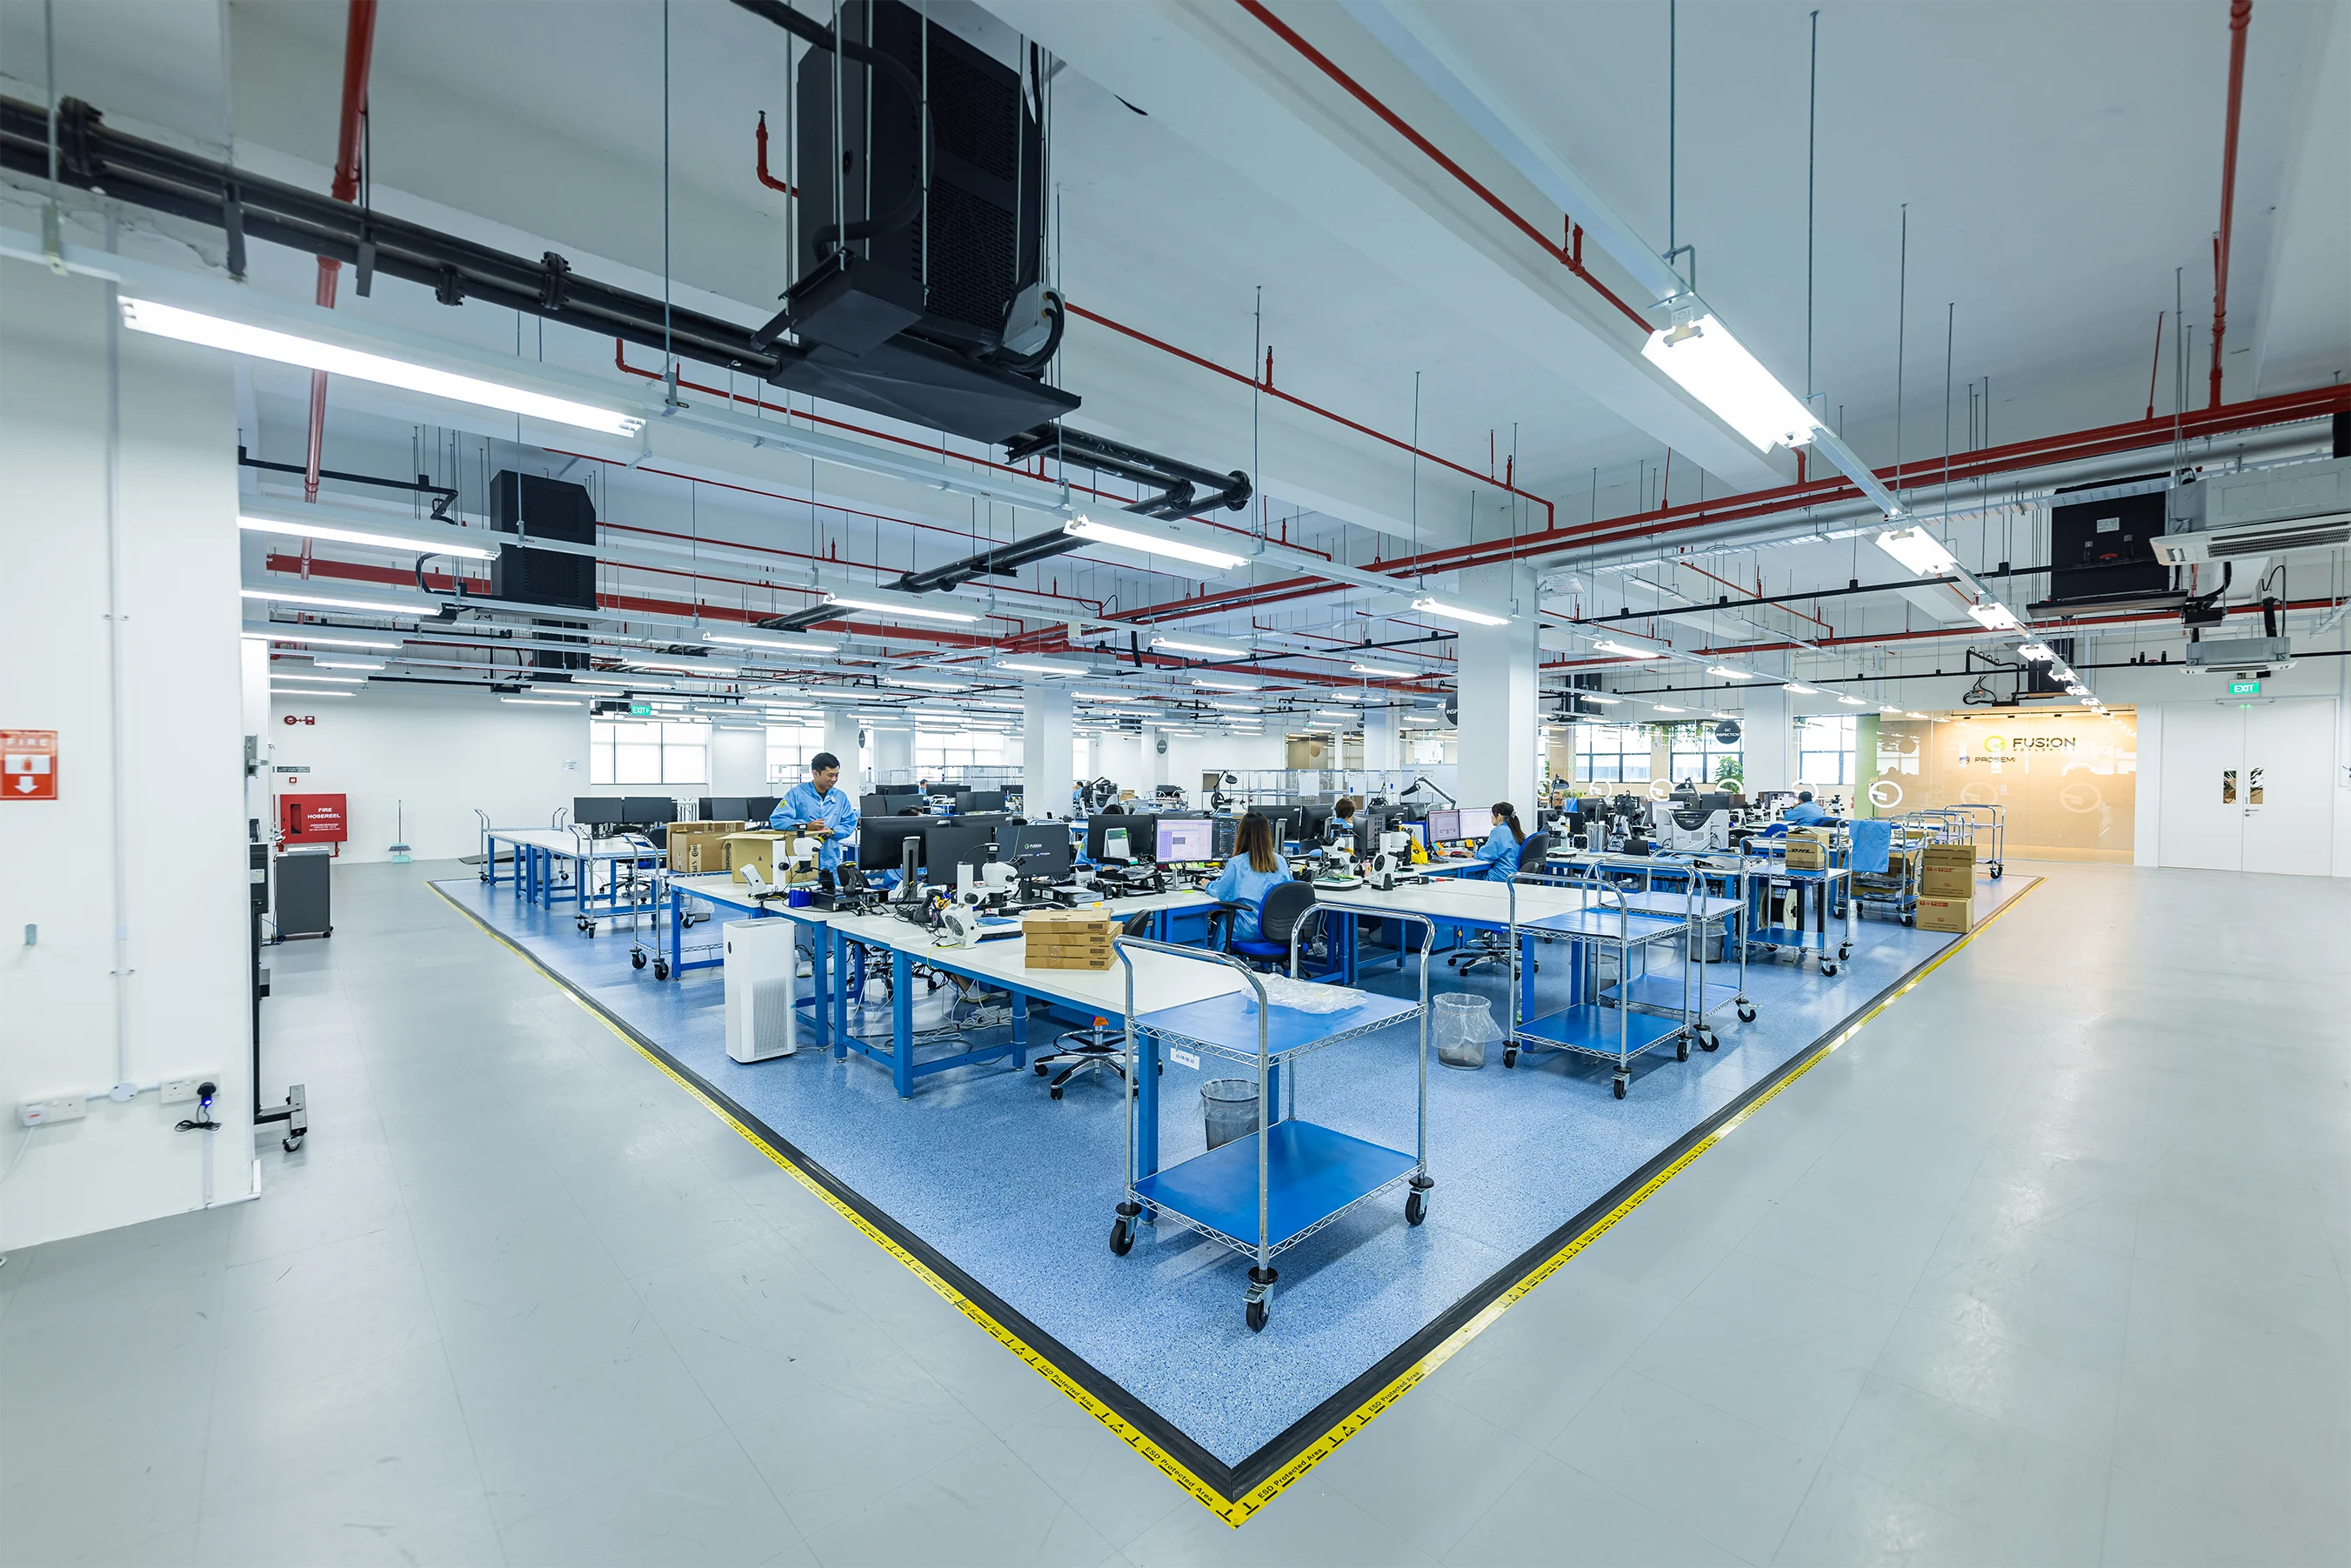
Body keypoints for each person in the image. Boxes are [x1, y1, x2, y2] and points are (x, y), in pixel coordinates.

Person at [1207, 811, 1291, 944]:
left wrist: (1207, 884)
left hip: (1249, 929)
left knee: (1220, 920)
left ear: (1241, 835)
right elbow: (1288, 892)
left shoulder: (1237, 863)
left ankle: (1219, 963)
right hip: (1278, 929)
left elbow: (1222, 892)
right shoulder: (1280, 861)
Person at [771, 751, 858, 871]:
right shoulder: (797, 794)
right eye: (830, 775)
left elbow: (849, 823)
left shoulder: (840, 797)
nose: (834, 779)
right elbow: (777, 820)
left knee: (831, 889)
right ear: (815, 773)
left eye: (837, 775)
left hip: (831, 861)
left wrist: (832, 832)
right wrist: (806, 826)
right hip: (803, 860)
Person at [1472, 801, 1526, 881]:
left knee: (1469, 876)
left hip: (1502, 876)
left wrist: (1473, 854)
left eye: (1492, 814)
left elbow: (1488, 854)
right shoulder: (1518, 832)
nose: (1491, 817)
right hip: (1514, 875)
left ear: (1499, 816)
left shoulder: (1499, 831)